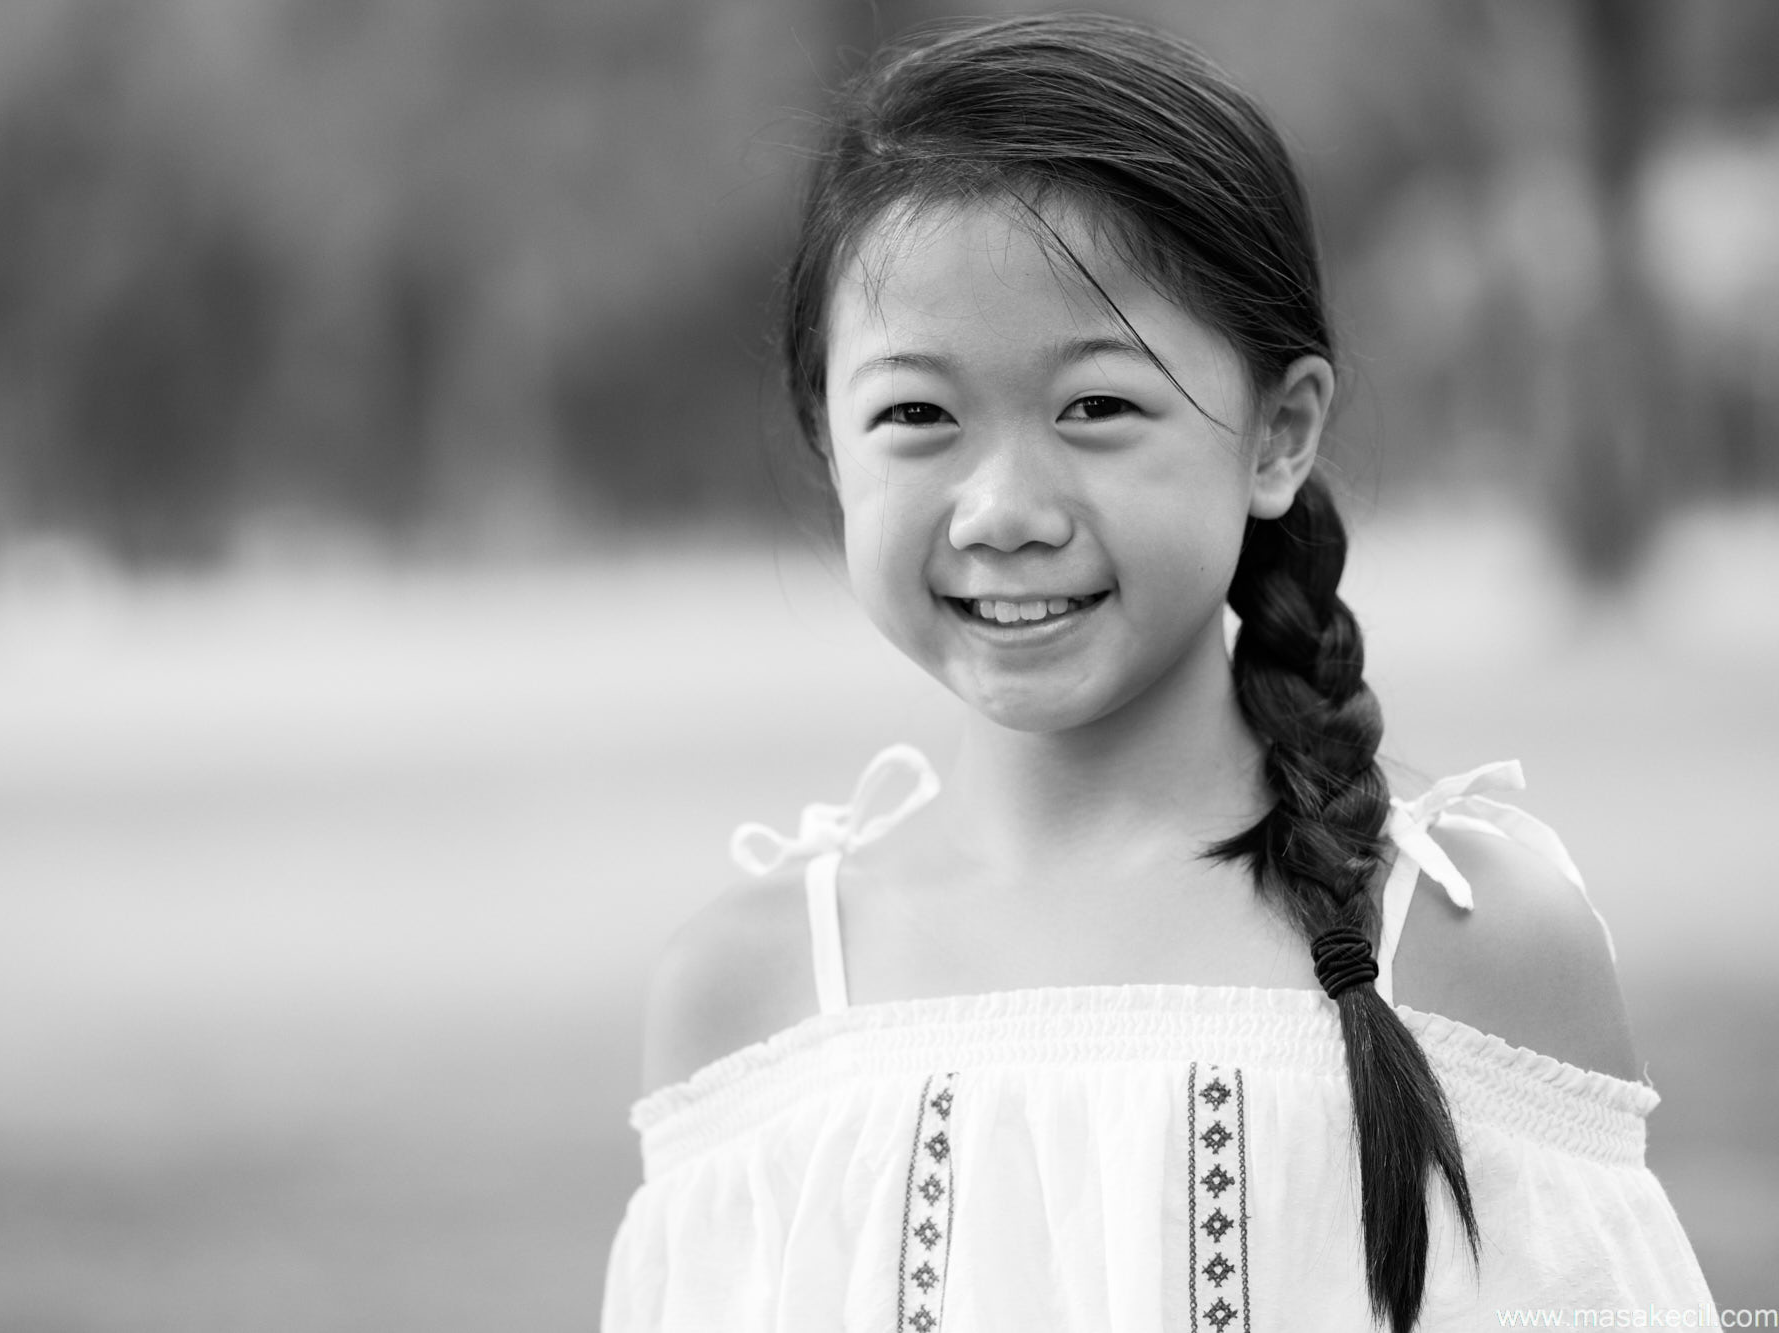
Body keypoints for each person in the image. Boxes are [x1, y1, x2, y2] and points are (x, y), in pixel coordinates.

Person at [602, 15, 1711, 1332]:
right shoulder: (752, 990)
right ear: (828, 440)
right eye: (916, 415)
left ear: (1278, 434)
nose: (1004, 505)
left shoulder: (1469, 941)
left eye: (1097, 406)